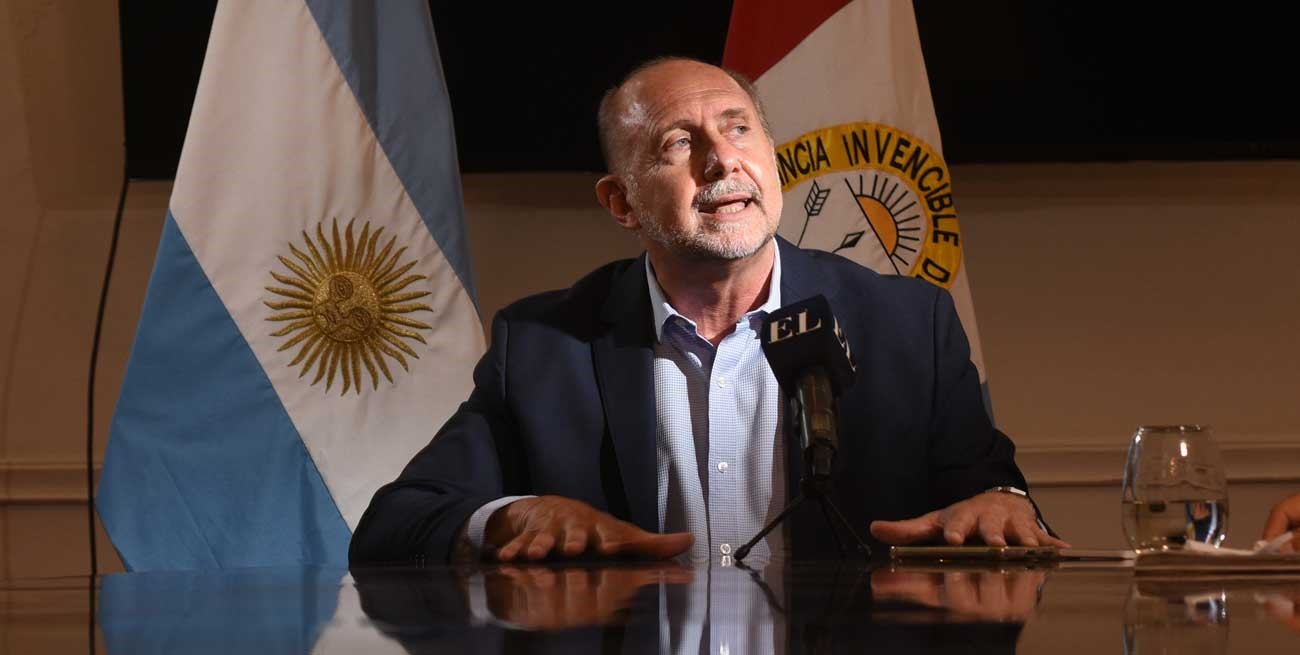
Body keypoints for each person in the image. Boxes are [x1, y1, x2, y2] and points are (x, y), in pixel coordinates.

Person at [348, 57, 1064, 566]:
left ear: (772, 158)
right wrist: (513, 517)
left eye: (739, 129)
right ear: (622, 202)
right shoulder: (543, 346)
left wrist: (1002, 503)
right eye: (680, 143)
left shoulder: (909, 324)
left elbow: (991, 494)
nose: (723, 161)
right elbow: (396, 524)